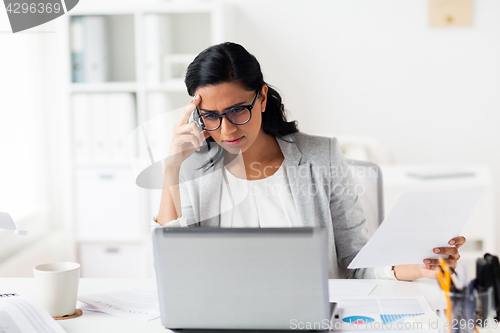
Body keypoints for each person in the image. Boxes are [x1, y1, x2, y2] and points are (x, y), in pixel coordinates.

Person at [155, 42, 465, 280]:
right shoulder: (193, 170)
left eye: (238, 110)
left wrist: (420, 267)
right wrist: (171, 167)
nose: (227, 129)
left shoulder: (322, 157)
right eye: (211, 116)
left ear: (262, 97)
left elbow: (356, 263)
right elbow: (172, 271)